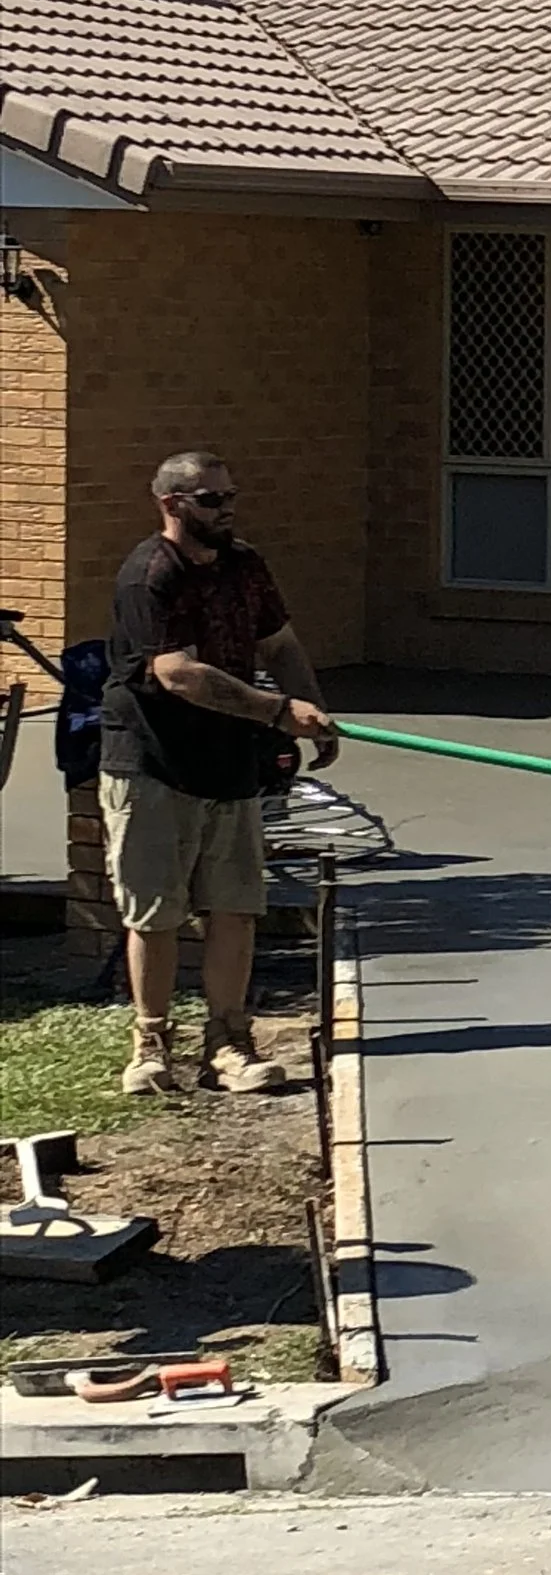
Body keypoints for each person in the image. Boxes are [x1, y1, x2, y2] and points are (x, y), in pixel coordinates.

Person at [101, 450, 336, 1098]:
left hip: (230, 762)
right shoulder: (149, 575)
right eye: (211, 500)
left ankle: (228, 1042)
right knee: (156, 910)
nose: (226, 509)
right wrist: (276, 709)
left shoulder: (244, 565)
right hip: (154, 762)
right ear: (172, 504)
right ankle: (150, 1045)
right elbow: (175, 671)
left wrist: (310, 708)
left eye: (230, 497)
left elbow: (281, 644)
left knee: (235, 906)